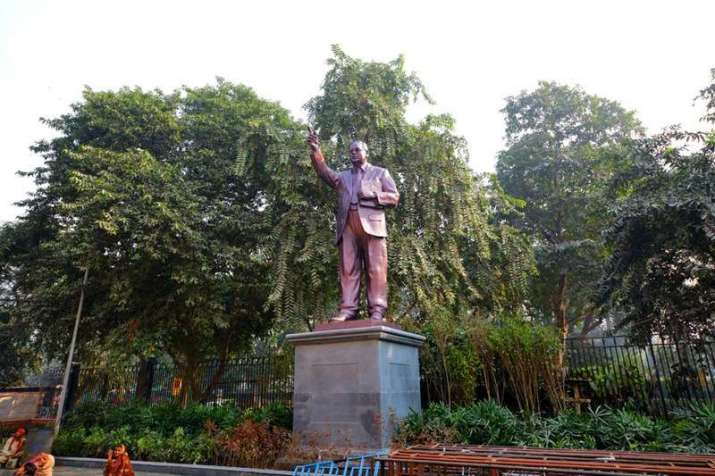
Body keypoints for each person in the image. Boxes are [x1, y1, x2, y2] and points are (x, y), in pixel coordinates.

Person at [307, 127, 399, 321]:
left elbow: (394, 197)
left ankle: (377, 310)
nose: (354, 153)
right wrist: (316, 151)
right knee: (348, 268)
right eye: (351, 151)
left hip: (372, 225)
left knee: (376, 268)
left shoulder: (380, 173)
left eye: (357, 150)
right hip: (348, 224)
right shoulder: (343, 177)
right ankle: (348, 309)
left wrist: (374, 195)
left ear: (366, 152)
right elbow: (324, 172)